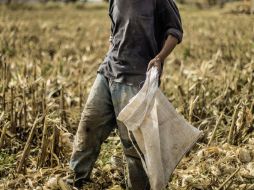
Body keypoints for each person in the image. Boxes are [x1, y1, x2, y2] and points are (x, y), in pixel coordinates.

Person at [67, 0, 183, 189]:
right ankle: (75, 180)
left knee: (133, 144)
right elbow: (114, 32)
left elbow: (175, 31)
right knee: (88, 126)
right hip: (108, 71)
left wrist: (160, 58)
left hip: (137, 76)